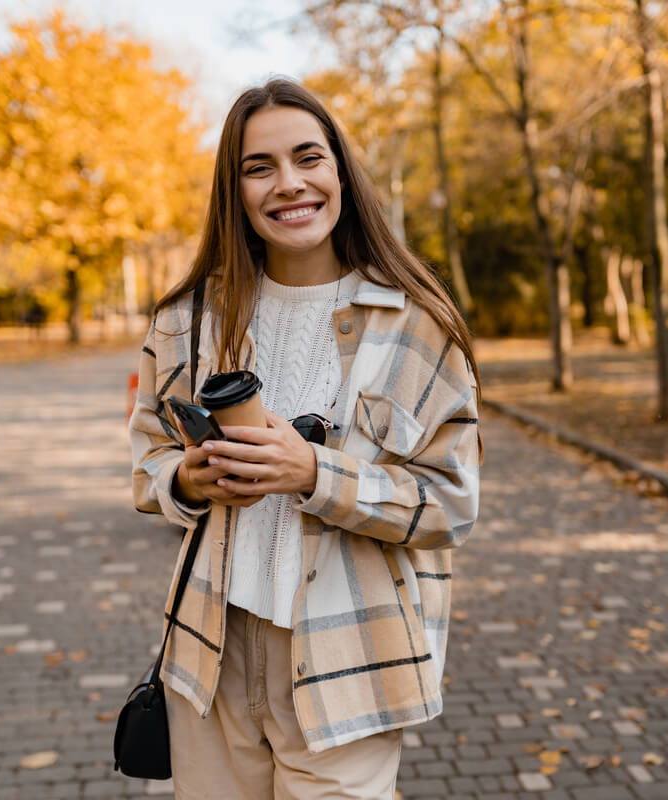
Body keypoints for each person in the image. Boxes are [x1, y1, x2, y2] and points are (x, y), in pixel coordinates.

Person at [128, 78, 482, 799]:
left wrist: (315, 472)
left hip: (350, 658)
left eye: (307, 158)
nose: (288, 184)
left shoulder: (416, 325)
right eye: (259, 167)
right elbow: (148, 460)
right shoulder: (186, 321)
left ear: (340, 172)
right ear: (235, 190)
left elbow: (451, 505)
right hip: (209, 654)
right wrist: (187, 480)